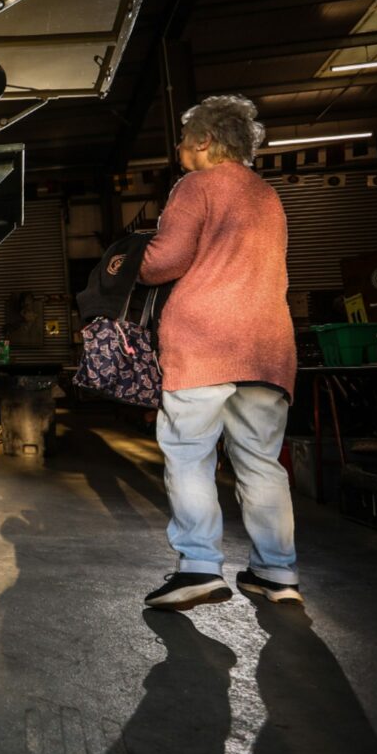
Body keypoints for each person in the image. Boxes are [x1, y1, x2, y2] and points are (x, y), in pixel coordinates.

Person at [137, 94, 302, 609]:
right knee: (261, 461)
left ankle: (199, 568)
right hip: (267, 348)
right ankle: (276, 573)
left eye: (184, 139)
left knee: (190, 455)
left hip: (204, 343)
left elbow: (164, 261)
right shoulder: (267, 195)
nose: (179, 148)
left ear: (205, 141)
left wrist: (133, 260)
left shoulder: (196, 186)